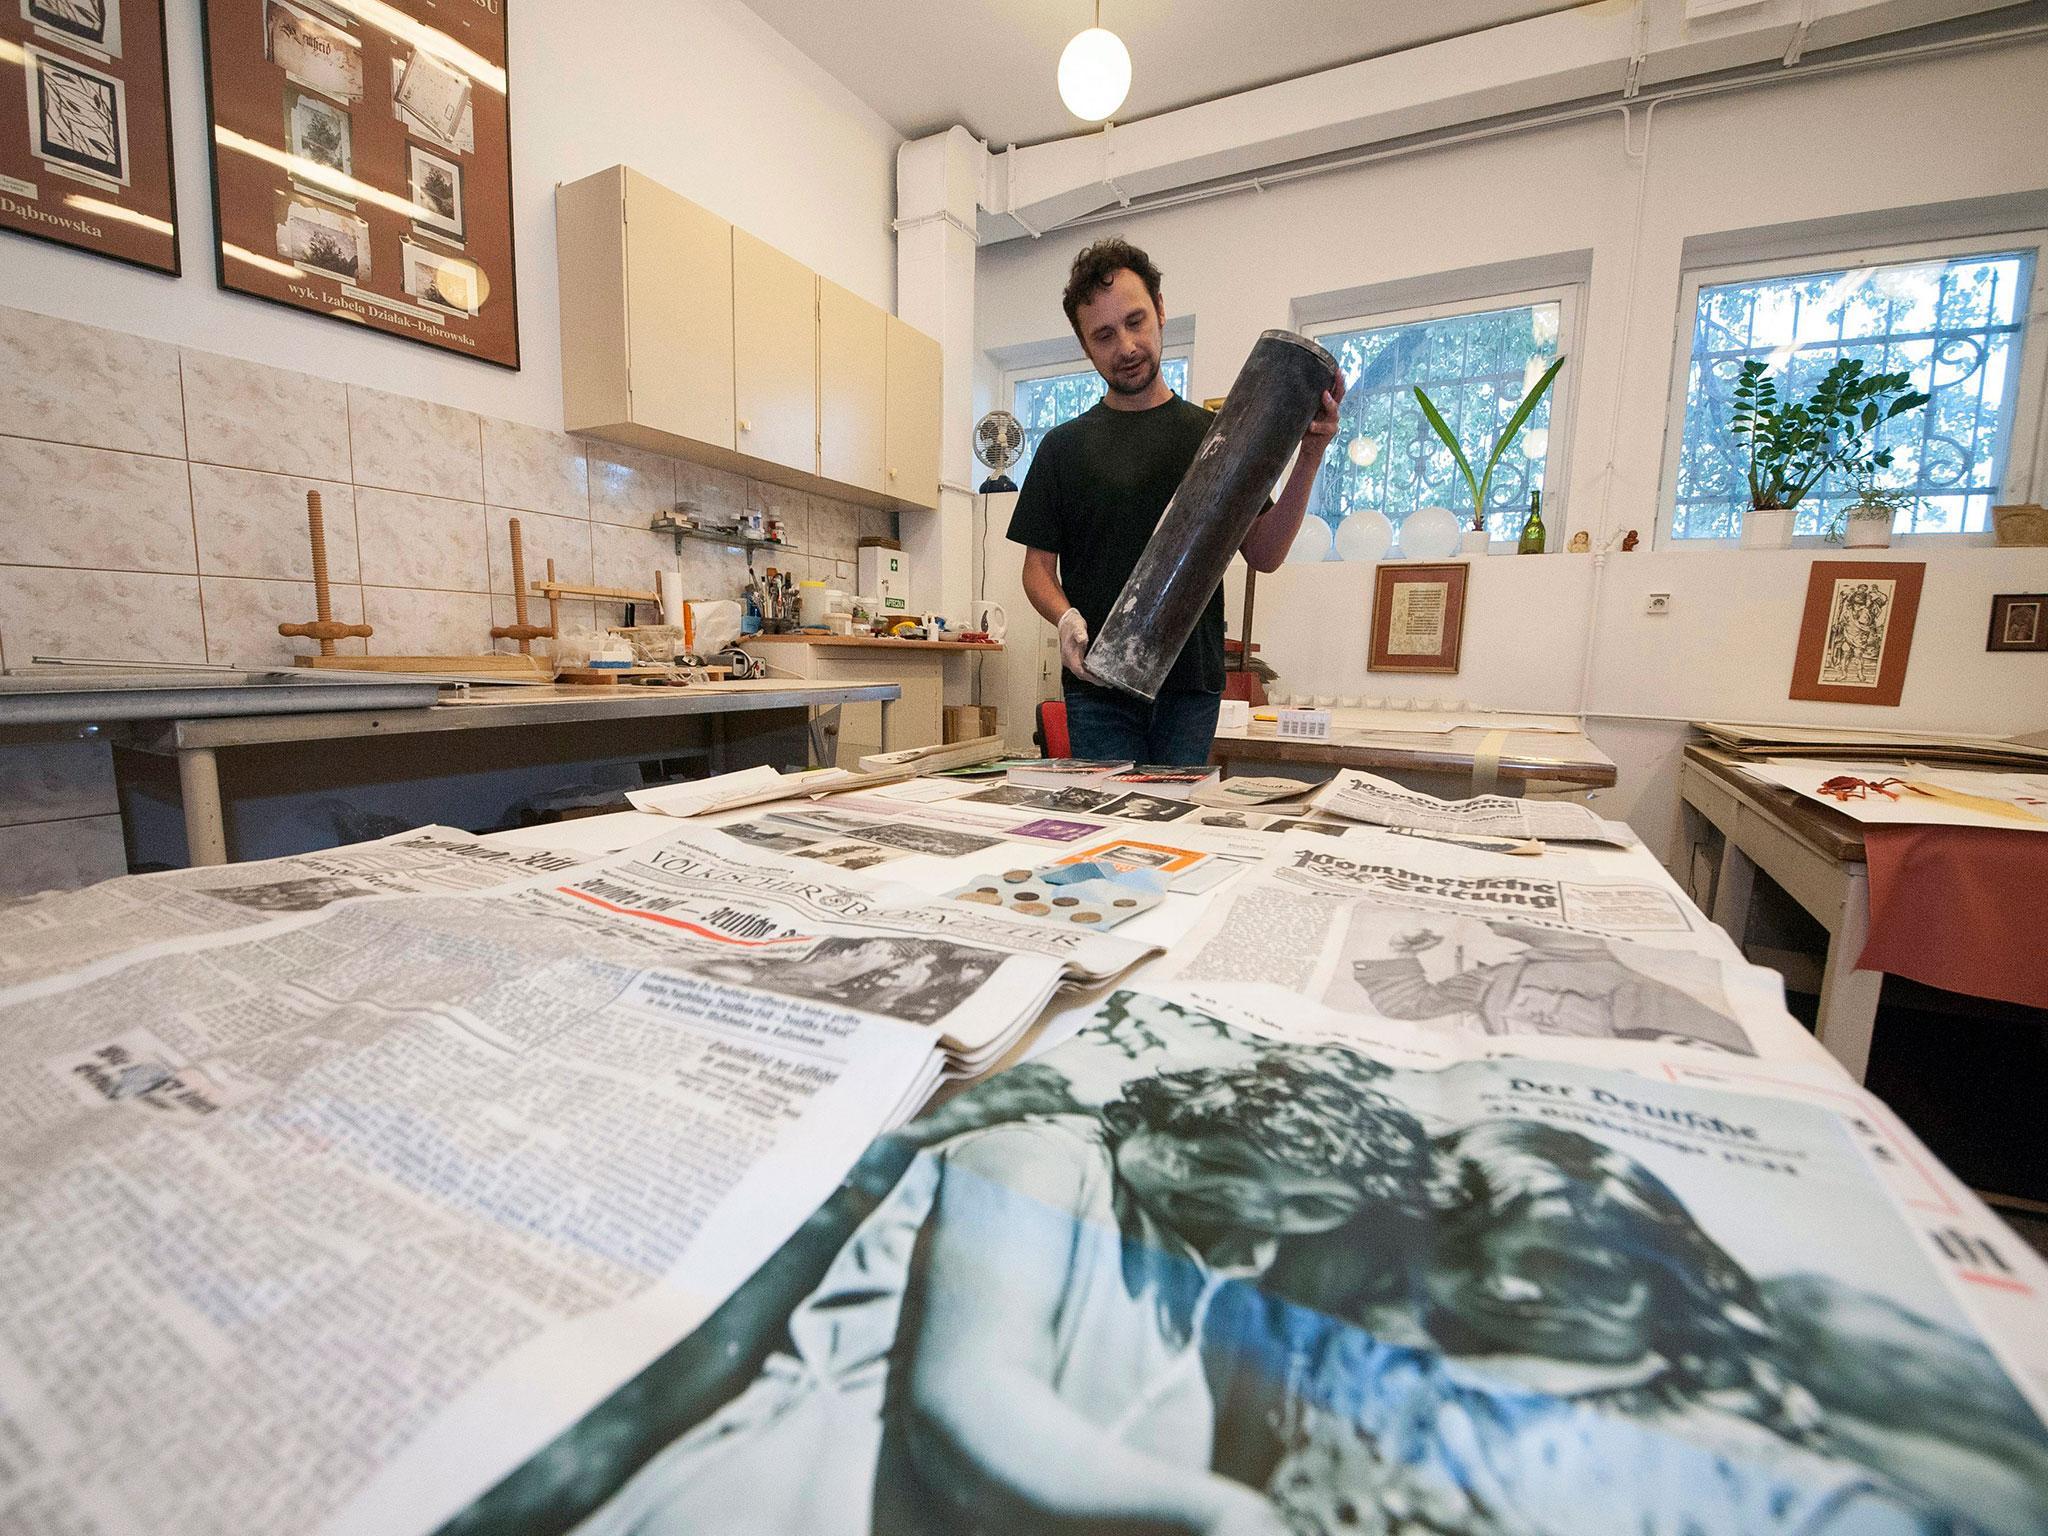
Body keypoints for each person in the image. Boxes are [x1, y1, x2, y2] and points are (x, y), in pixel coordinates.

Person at [564, 1052, 1429, 1536]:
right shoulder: (1042, 1159)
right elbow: (974, 1395)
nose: (1272, 1218)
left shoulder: (1201, 1264)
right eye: (1233, 1168)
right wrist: (1219, 1511)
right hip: (794, 1507)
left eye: (1315, 1211)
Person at [1008, 238, 1345, 764]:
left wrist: (1310, 454)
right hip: (1099, 686)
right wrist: (1064, 617)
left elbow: (1265, 554)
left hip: (1190, 688)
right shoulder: (1063, 448)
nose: (1125, 346)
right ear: (1085, 345)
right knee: (1107, 831)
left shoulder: (1217, 436)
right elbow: (1037, 570)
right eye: (1103, 334)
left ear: (1161, 310)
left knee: (1176, 829)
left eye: (1136, 321)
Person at [1347, 921, 1755, 1053]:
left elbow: (1724, 1051)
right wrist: (1396, 952)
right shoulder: (1496, 977)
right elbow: (1413, 1004)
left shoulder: (1632, 983)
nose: (1486, 915)